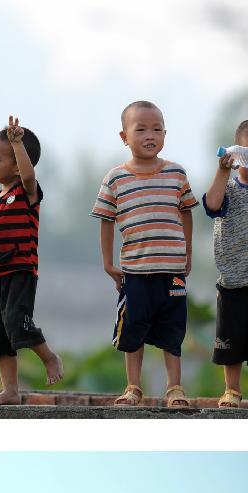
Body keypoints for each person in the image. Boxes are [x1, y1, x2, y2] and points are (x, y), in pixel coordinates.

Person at [91, 100, 198, 407]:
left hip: (172, 270)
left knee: (173, 330)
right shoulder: (115, 178)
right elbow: (106, 220)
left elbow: (187, 213)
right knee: (132, 329)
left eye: (157, 129)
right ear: (125, 137)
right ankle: (133, 387)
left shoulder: (176, 174)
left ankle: (174, 388)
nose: (150, 135)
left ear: (165, 134)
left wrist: (187, 254)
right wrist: (107, 263)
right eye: (141, 129)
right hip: (135, 271)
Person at [0, 115, 63, 405]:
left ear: (18, 166)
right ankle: (10, 389)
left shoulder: (26, 192)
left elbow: (29, 176)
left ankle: (49, 357)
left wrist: (17, 142)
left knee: (16, 320)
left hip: (20, 270)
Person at [203, 119, 248, 409]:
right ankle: (232, 390)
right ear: (236, 157)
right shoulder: (228, 189)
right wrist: (222, 172)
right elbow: (211, 205)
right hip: (234, 279)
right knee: (230, 341)